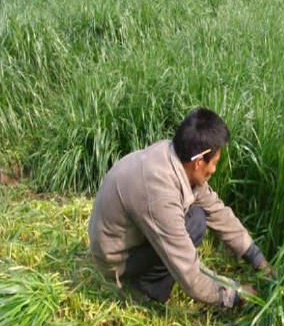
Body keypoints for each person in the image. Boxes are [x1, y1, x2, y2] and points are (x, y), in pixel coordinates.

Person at [88, 107, 271, 307]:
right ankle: (141, 293)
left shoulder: (175, 156)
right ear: (199, 161)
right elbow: (190, 275)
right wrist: (235, 294)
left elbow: (217, 212)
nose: (215, 169)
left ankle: (145, 283)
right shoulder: (159, 194)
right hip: (117, 261)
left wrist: (257, 260)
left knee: (198, 216)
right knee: (194, 225)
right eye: (215, 163)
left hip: (130, 240)